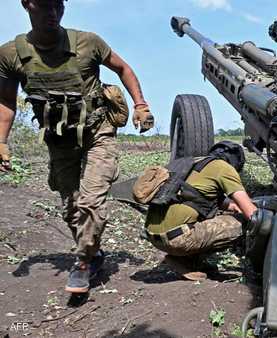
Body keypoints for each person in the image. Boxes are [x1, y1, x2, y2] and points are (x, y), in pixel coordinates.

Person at [0, 0, 155, 293]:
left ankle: (82, 263)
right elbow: (6, 101)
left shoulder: (88, 43)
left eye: (58, 5)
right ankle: (94, 254)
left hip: (98, 131)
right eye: (44, 5)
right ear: (26, 4)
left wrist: (141, 105)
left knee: (90, 201)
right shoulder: (11, 54)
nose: (53, 12)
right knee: (71, 207)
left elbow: (123, 68)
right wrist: (1, 141)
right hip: (60, 140)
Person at [143, 141, 257, 281]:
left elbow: (196, 197)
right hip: (178, 239)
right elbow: (252, 214)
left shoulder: (191, 163)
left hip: (153, 236)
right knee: (245, 223)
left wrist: (233, 206)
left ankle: (184, 259)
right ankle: (186, 260)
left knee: (215, 217)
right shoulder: (224, 168)